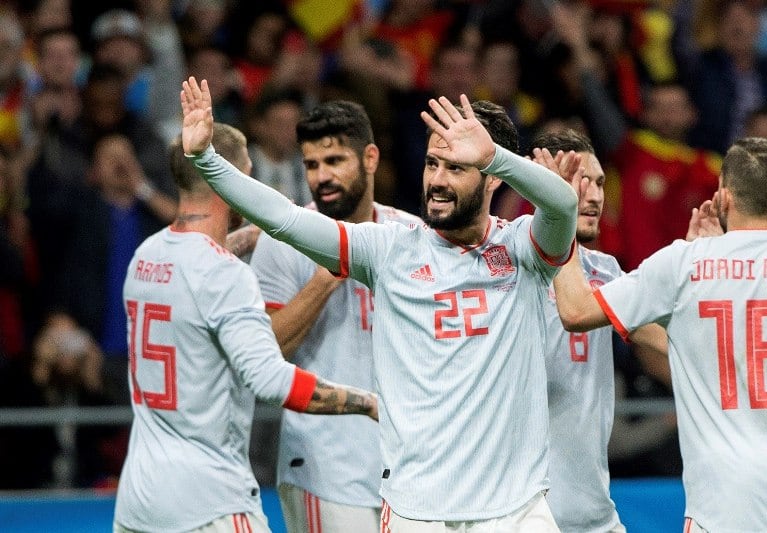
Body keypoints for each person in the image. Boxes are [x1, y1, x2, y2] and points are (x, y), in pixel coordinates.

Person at [182, 75, 579, 530]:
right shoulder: (389, 251)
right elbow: (285, 219)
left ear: (492, 179)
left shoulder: (523, 251)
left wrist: (495, 156)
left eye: (456, 167)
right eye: (432, 164)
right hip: (418, 513)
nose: (438, 181)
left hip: (518, 510)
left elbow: (563, 207)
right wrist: (206, 159)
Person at [112, 122, 379, 533]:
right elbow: (272, 381)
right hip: (209, 503)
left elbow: (193, 274)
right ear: (229, 182)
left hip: (139, 502)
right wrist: (370, 403)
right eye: (247, 176)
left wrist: (247, 236)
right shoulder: (227, 276)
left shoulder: (147, 257)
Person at [553, 136, 767, 532]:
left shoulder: (684, 265)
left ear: (723, 197)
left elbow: (576, 309)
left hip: (723, 507)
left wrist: (558, 217)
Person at [248, 99, 421, 532]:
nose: (321, 176)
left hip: (409, 465)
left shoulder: (411, 237)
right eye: (311, 164)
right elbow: (262, 352)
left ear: (370, 158)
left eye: (334, 160)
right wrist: (326, 277)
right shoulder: (283, 241)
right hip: (323, 468)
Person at [532, 129, 668, 533]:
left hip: (593, 512)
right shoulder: (504, 265)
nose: (593, 196)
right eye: (579, 180)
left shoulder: (605, 270)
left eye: (601, 183)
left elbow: (664, 341)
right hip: (522, 512)